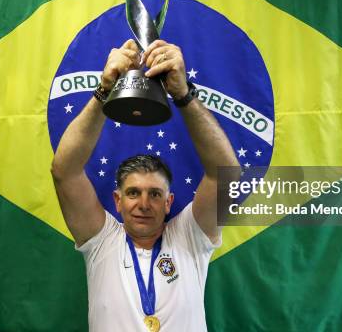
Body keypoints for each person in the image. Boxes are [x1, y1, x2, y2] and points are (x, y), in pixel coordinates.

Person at [51, 39, 239, 331]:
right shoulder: (101, 241)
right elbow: (65, 171)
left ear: (168, 202)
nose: (143, 203)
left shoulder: (190, 236)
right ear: (117, 201)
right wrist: (105, 91)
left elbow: (225, 173)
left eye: (155, 194)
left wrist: (182, 94)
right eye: (133, 193)